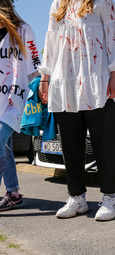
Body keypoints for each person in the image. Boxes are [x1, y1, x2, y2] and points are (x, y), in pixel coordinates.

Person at [38, 0, 115, 221]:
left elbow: (114, 35)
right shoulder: (58, 3)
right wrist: (45, 77)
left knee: (104, 142)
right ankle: (77, 197)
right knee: (70, 143)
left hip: (97, 79)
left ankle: (110, 199)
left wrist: (114, 75)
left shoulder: (103, 1)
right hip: (64, 79)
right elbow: (50, 40)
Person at [0, 0, 40, 212]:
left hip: (17, 98)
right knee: (4, 146)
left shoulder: (23, 30)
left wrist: (41, 91)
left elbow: (34, 64)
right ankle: (13, 193)